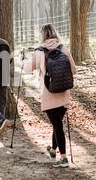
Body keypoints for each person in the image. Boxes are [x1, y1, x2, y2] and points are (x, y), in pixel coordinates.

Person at [24, 24, 77, 168]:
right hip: (64, 91)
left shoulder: (39, 51)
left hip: (48, 93)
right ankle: (53, 150)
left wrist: (24, 61)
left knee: (57, 125)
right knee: (57, 123)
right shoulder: (63, 48)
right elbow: (74, 70)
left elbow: (28, 69)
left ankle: (64, 157)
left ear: (42, 35)